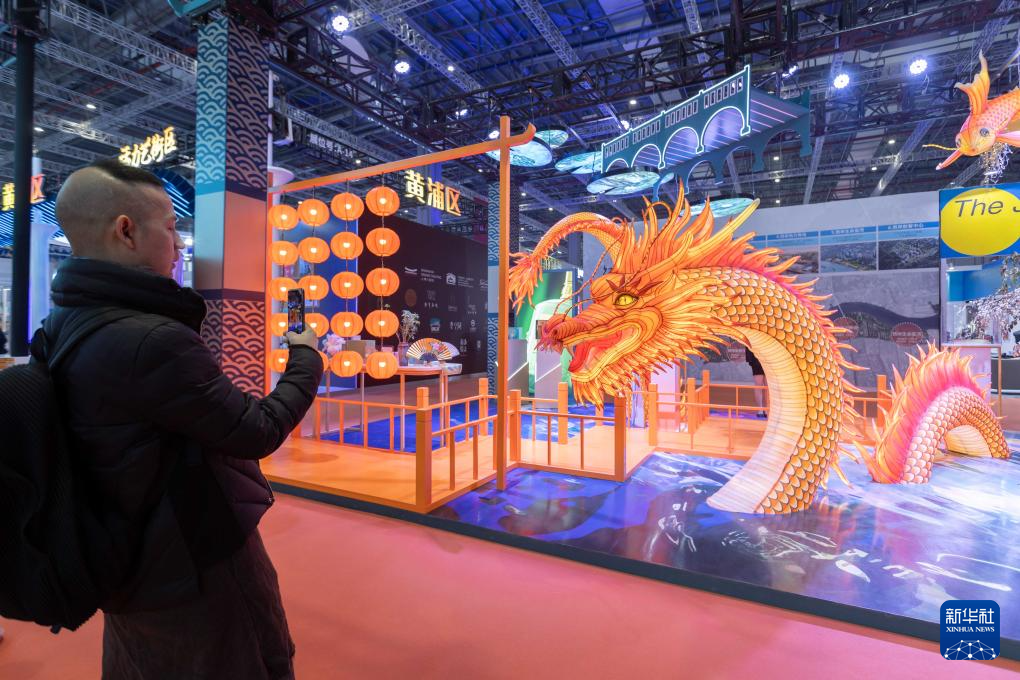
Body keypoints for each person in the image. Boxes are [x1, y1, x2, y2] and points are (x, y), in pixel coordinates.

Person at [43, 159, 322, 679]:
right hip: (193, 559)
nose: (179, 244)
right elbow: (256, 430)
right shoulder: (151, 340)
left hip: (121, 555)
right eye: (171, 228)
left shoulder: (63, 323)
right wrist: (306, 357)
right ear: (126, 231)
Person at [745, 347, 767, 418]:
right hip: (756, 359)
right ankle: (760, 409)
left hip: (768, 359)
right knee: (758, 385)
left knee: (767, 387)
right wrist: (751, 360)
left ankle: (767, 408)